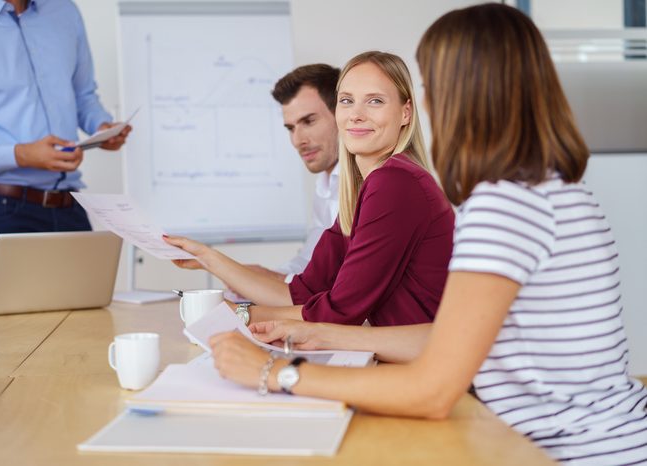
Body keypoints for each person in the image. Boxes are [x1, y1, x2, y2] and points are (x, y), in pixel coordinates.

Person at [208, 4, 647, 464]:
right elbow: (448, 338)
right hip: (603, 438)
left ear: (458, 95)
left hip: (572, 453)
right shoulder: (555, 190)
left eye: (431, 84)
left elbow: (433, 389)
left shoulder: (505, 207)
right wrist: (320, 334)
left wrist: (277, 373)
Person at [164, 51, 454, 326]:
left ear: (406, 113)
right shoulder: (365, 190)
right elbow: (302, 293)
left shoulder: (395, 183)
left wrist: (241, 314)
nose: (356, 114)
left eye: (375, 101)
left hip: (420, 369)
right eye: (347, 101)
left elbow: (340, 311)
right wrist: (206, 256)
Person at [0, 0, 131, 295]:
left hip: (69, 205)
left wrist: (101, 128)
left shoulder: (64, 11)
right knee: (14, 337)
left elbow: (84, 96)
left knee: (85, 328)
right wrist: (22, 154)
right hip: (1, 211)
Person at [245, 64, 341, 284]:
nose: (298, 141)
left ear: (342, 115)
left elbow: (332, 278)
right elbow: (309, 259)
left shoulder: (368, 181)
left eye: (308, 121)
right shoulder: (326, 181)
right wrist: (263, 277)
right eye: (290, 128)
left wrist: (272, 281)